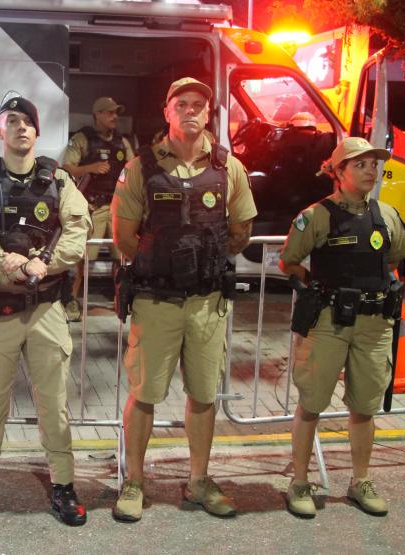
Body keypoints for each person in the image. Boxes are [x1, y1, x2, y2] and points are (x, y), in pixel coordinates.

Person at [111, 77, 257, 521]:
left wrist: (204, 264)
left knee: (204, 394)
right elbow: (123, 235)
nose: (191, 110)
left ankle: (198, 480)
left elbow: (241, 230)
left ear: (208, 113)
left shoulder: (229, 167)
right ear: (167, 111)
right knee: (144, 393)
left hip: (207, 304)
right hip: (157, 302)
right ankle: (134, 481)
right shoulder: (141, 167)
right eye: (182, 103)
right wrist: (164, 265)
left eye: (199, 104)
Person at [0, 96, 91, 528]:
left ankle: (63, 487)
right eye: (11, 121)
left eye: (28, 121)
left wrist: (44, 265)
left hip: (46, 307)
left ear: (37, 131)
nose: (21, 128)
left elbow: (78, 229)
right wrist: (6, 263)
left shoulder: (59, 180)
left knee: (54, 404)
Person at [279, 137, 405, 519]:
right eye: (360, 164)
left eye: (374, 164)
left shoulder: (387, 215)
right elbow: (290, 262)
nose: (371, 171)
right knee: (312, 404)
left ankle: (360, 481)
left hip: (374, 325)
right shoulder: (315, 216)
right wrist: (319, 291)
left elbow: (395, 261)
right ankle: (300, 481)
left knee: (365, 407)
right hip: (329, 322)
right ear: (338, 172)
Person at [61, 97, 135, 322]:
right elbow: (67, 166)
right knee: (81, 260)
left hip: (118, 206)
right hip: (93, 206)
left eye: (116, 113)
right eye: (109, 113)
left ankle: (121, 301)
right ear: (97, 115)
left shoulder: (123, 142)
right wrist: (90, 168)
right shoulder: (83, 139)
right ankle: (71, 302)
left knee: (121, 260)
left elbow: (134, 168)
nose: (114, 117)